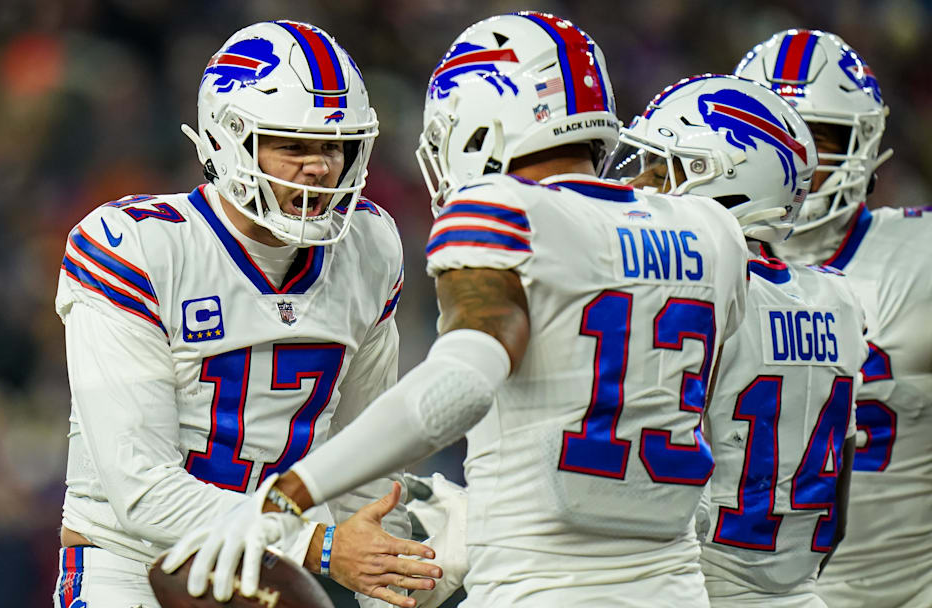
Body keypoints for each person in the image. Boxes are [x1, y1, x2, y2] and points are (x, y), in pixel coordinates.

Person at [163, 12, 750, 606]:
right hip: (677, 590)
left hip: (536, 592)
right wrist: (482, 518)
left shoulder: (503, 212)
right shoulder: (713, 231)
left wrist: (286, 497)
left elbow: (462, 383)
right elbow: (705, 453)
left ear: (480, 127)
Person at [52, 20, 439, 608]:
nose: (320, 168)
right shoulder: (137, 246)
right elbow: (142, 491)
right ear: (228, 142)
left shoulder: (370, 246)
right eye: (293, 146)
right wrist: (319, 546)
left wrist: (392, 578)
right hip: (136, 566)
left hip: (275, 575)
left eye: (333, 146)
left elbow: (365, 459)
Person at [608, 73, 866, 606]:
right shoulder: (839, 300)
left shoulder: (691, 294)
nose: (640, 185)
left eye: (662, 168)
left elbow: (630, 482)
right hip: (801, 593)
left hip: (694, 585)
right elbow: (837, 502)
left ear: (725, 183)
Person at [737, 30, 932, 608]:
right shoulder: (697, 263)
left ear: (861, 146)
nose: (794, 161)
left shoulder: (918, 258)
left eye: (816, 139)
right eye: (771, 136)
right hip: (738, 589)